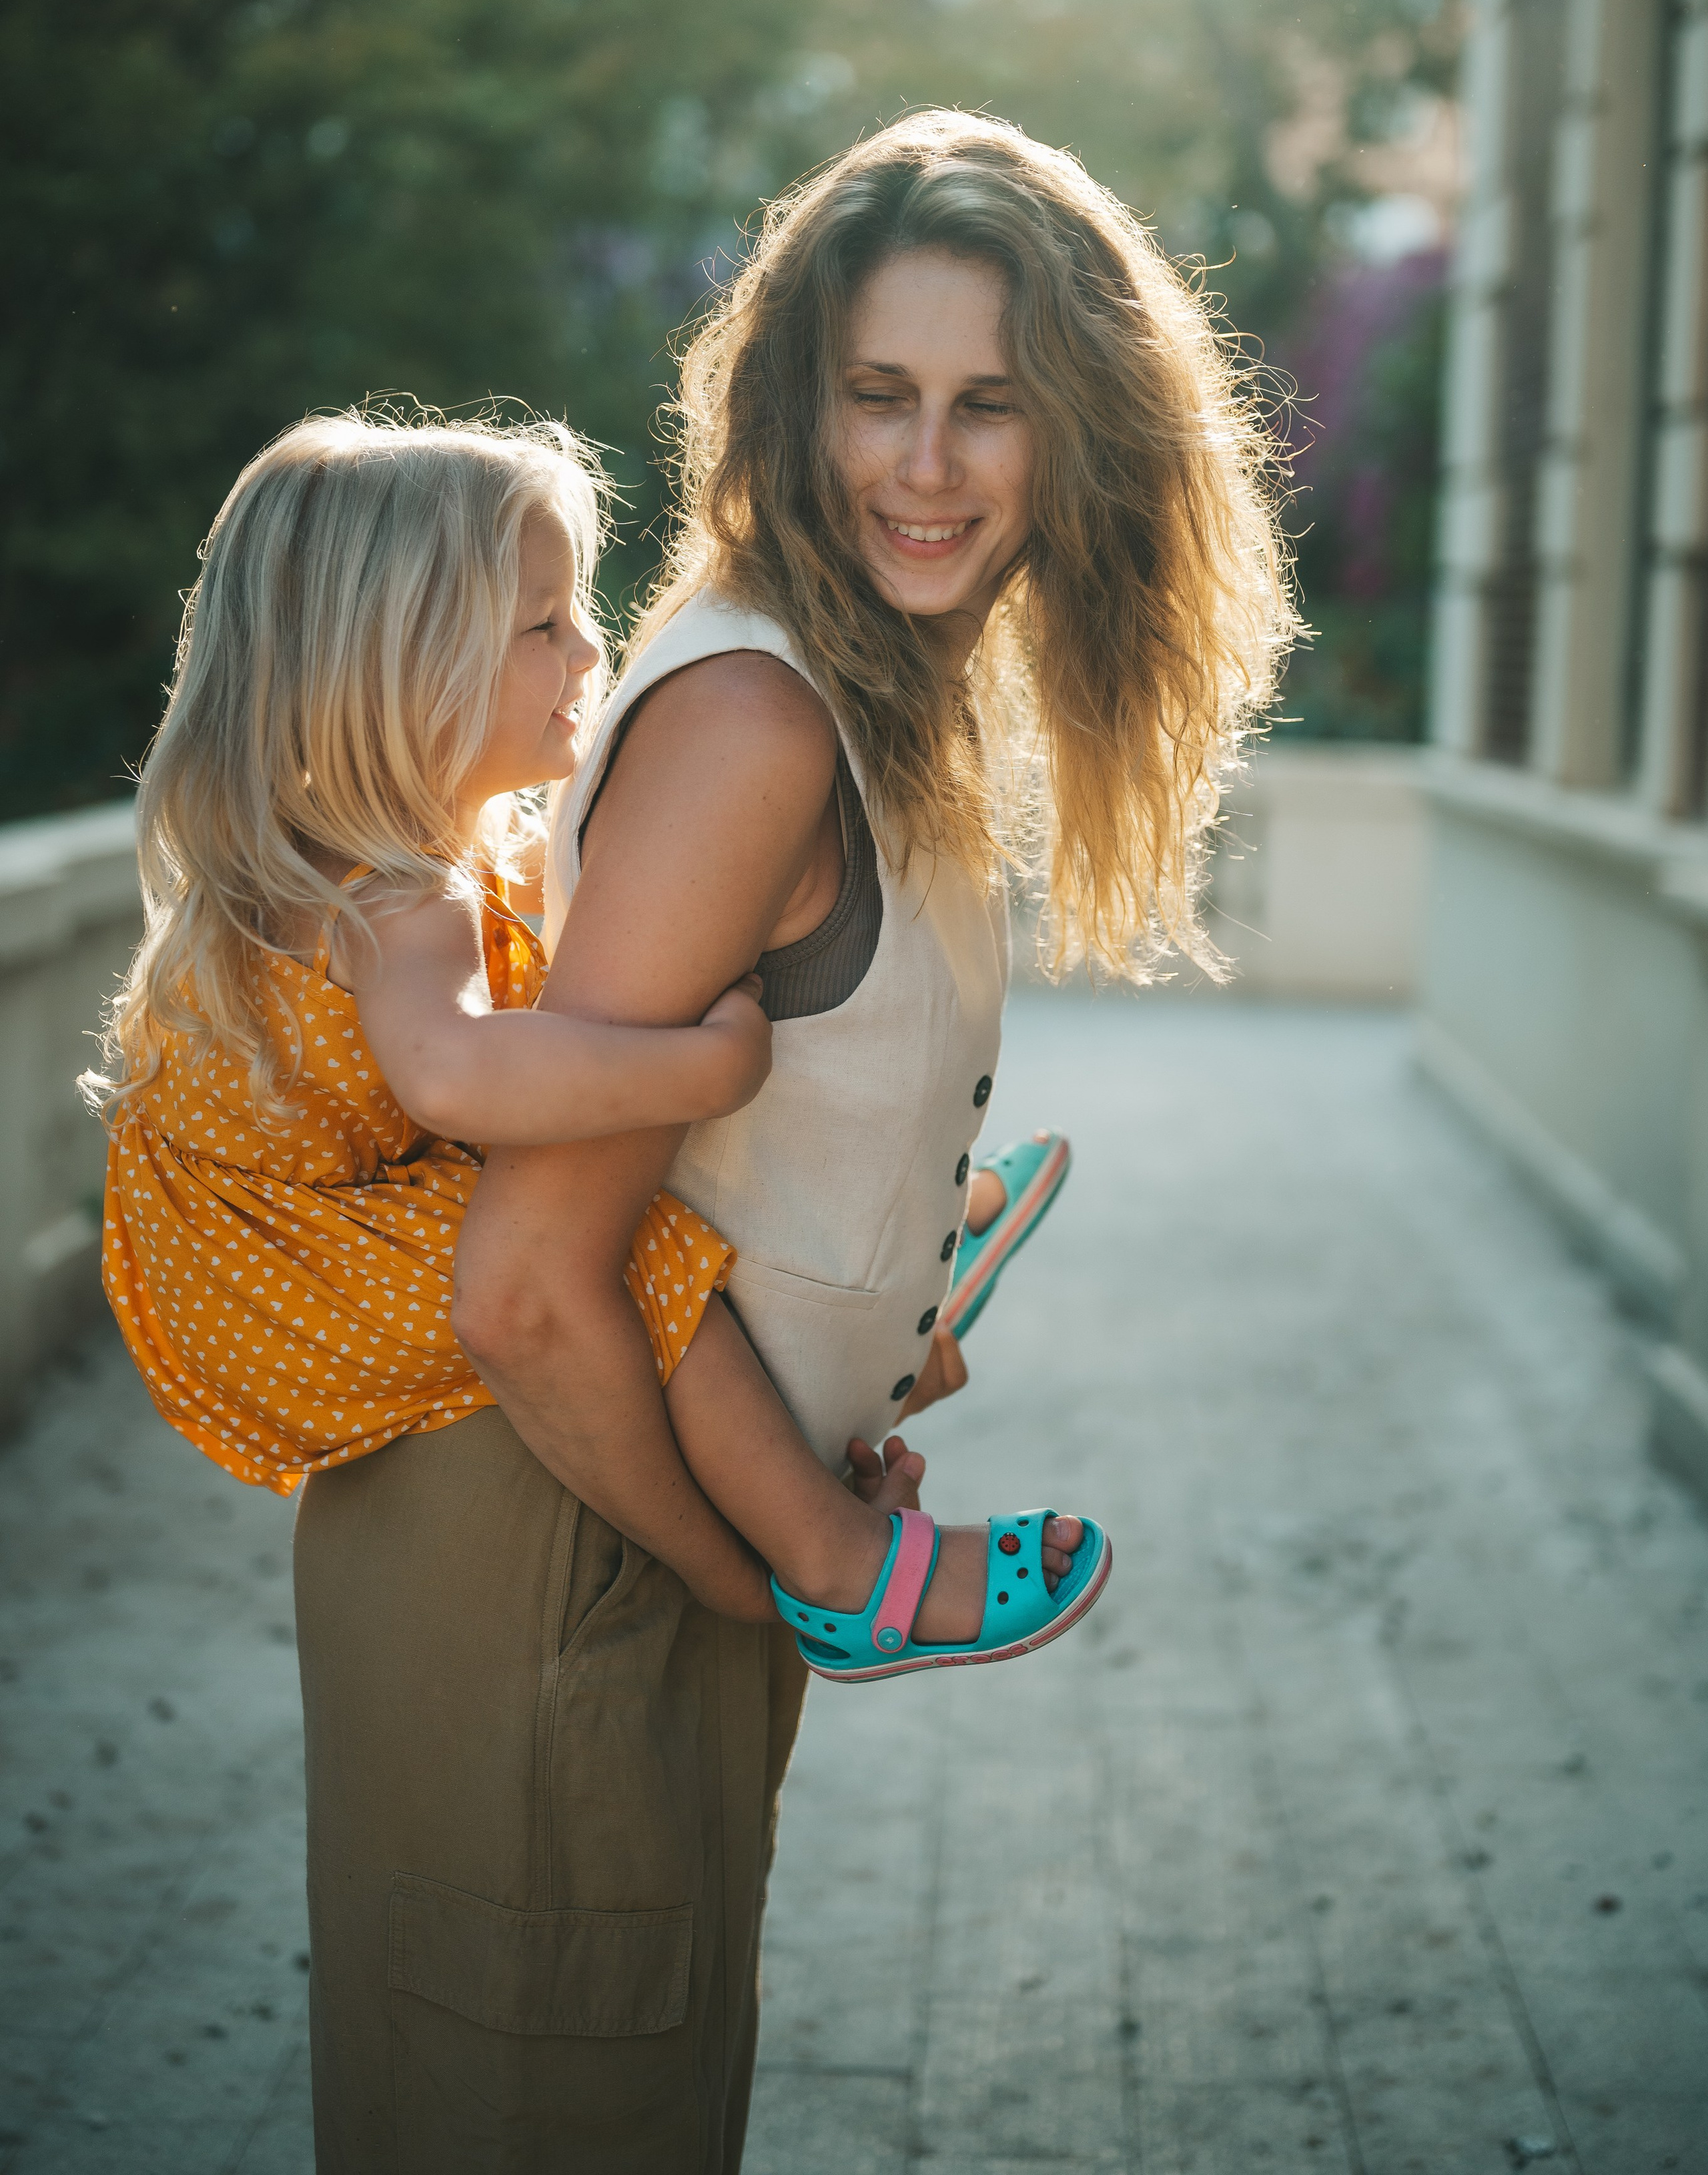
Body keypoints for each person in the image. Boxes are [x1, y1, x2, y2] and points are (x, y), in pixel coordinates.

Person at [84, 392, 1105, 2170]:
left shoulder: (349, 864)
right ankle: (837, 1555)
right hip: (288, 1260)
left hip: (254, 1248)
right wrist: (702, 1071)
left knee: (628, 1243)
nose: (591, 655)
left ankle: (886, 1325)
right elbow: (473, 1091)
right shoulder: (392, 897)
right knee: (621, 1250)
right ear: (394, 663)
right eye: (546, 625)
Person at [430, 109, 1294, 2168]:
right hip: (583, 1557)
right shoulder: (759, 722)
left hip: (648, 1522)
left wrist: (854, 1344)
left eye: (991, 405)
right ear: (791, 409)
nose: (928, 464)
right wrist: (785, 1572)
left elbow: (716, 1193)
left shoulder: (877, 696)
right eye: (879, 397)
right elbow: (533, 1279)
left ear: (1079, 429)